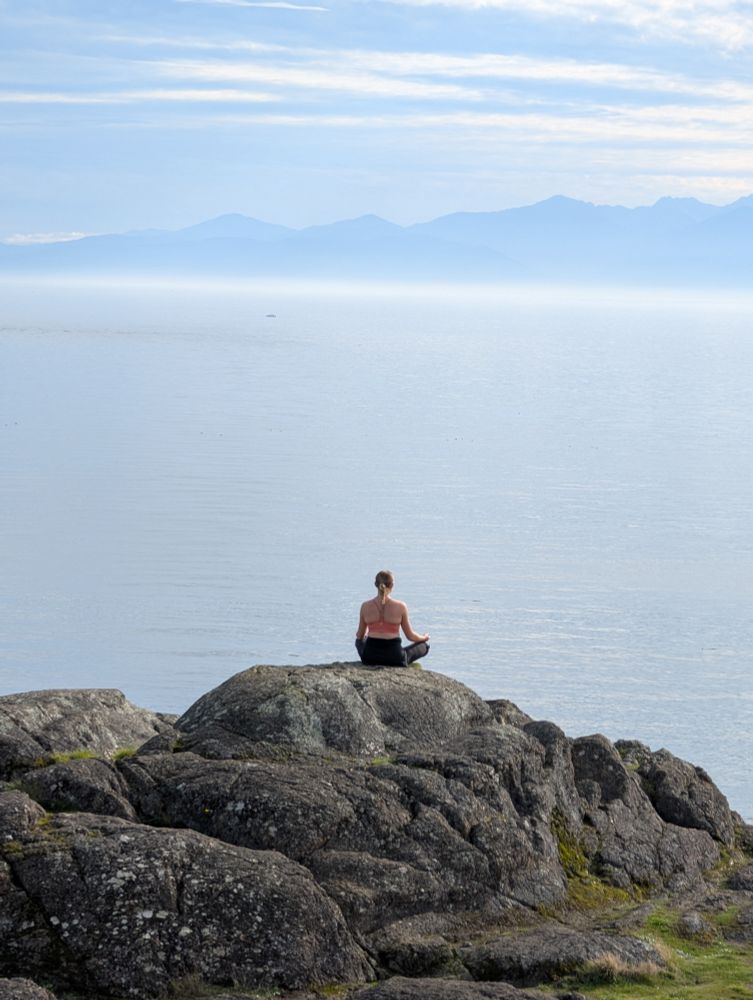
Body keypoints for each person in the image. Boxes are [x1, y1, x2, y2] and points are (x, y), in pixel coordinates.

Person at [355, 570, 430, 667]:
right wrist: (424, 638)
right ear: (392, 585)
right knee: (424, 646)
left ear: (376, 584)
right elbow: (410, 636)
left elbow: (359, 636)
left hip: (370, 657)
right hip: (395, 657)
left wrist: (369, 637)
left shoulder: (365, 606)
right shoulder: (401, 606)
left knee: (358, 642)